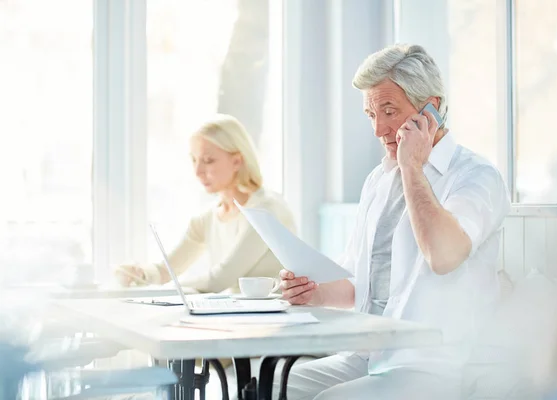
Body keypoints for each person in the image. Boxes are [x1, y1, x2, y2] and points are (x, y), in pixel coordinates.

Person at [278, 44, 511, 399]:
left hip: (434, 365)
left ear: (432, 108)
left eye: (389, 111)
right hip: (371, 357)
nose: (378, 129)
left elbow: (444, 256)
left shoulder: (476, 176)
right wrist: (314, 292)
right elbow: (360, 283)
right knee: (277, 386)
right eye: (371, 114)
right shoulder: (378, 180)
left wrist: (412, 167)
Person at [115, 114, 295, 293]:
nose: (198, 171)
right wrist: (139, 274)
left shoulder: (266, 210)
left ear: (237, 161)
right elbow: (166, 271)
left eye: (208, 160)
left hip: (277, 316)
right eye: (194, 160)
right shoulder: (207, 218)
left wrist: (169, 289)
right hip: (240, 317)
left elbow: (219, 280)